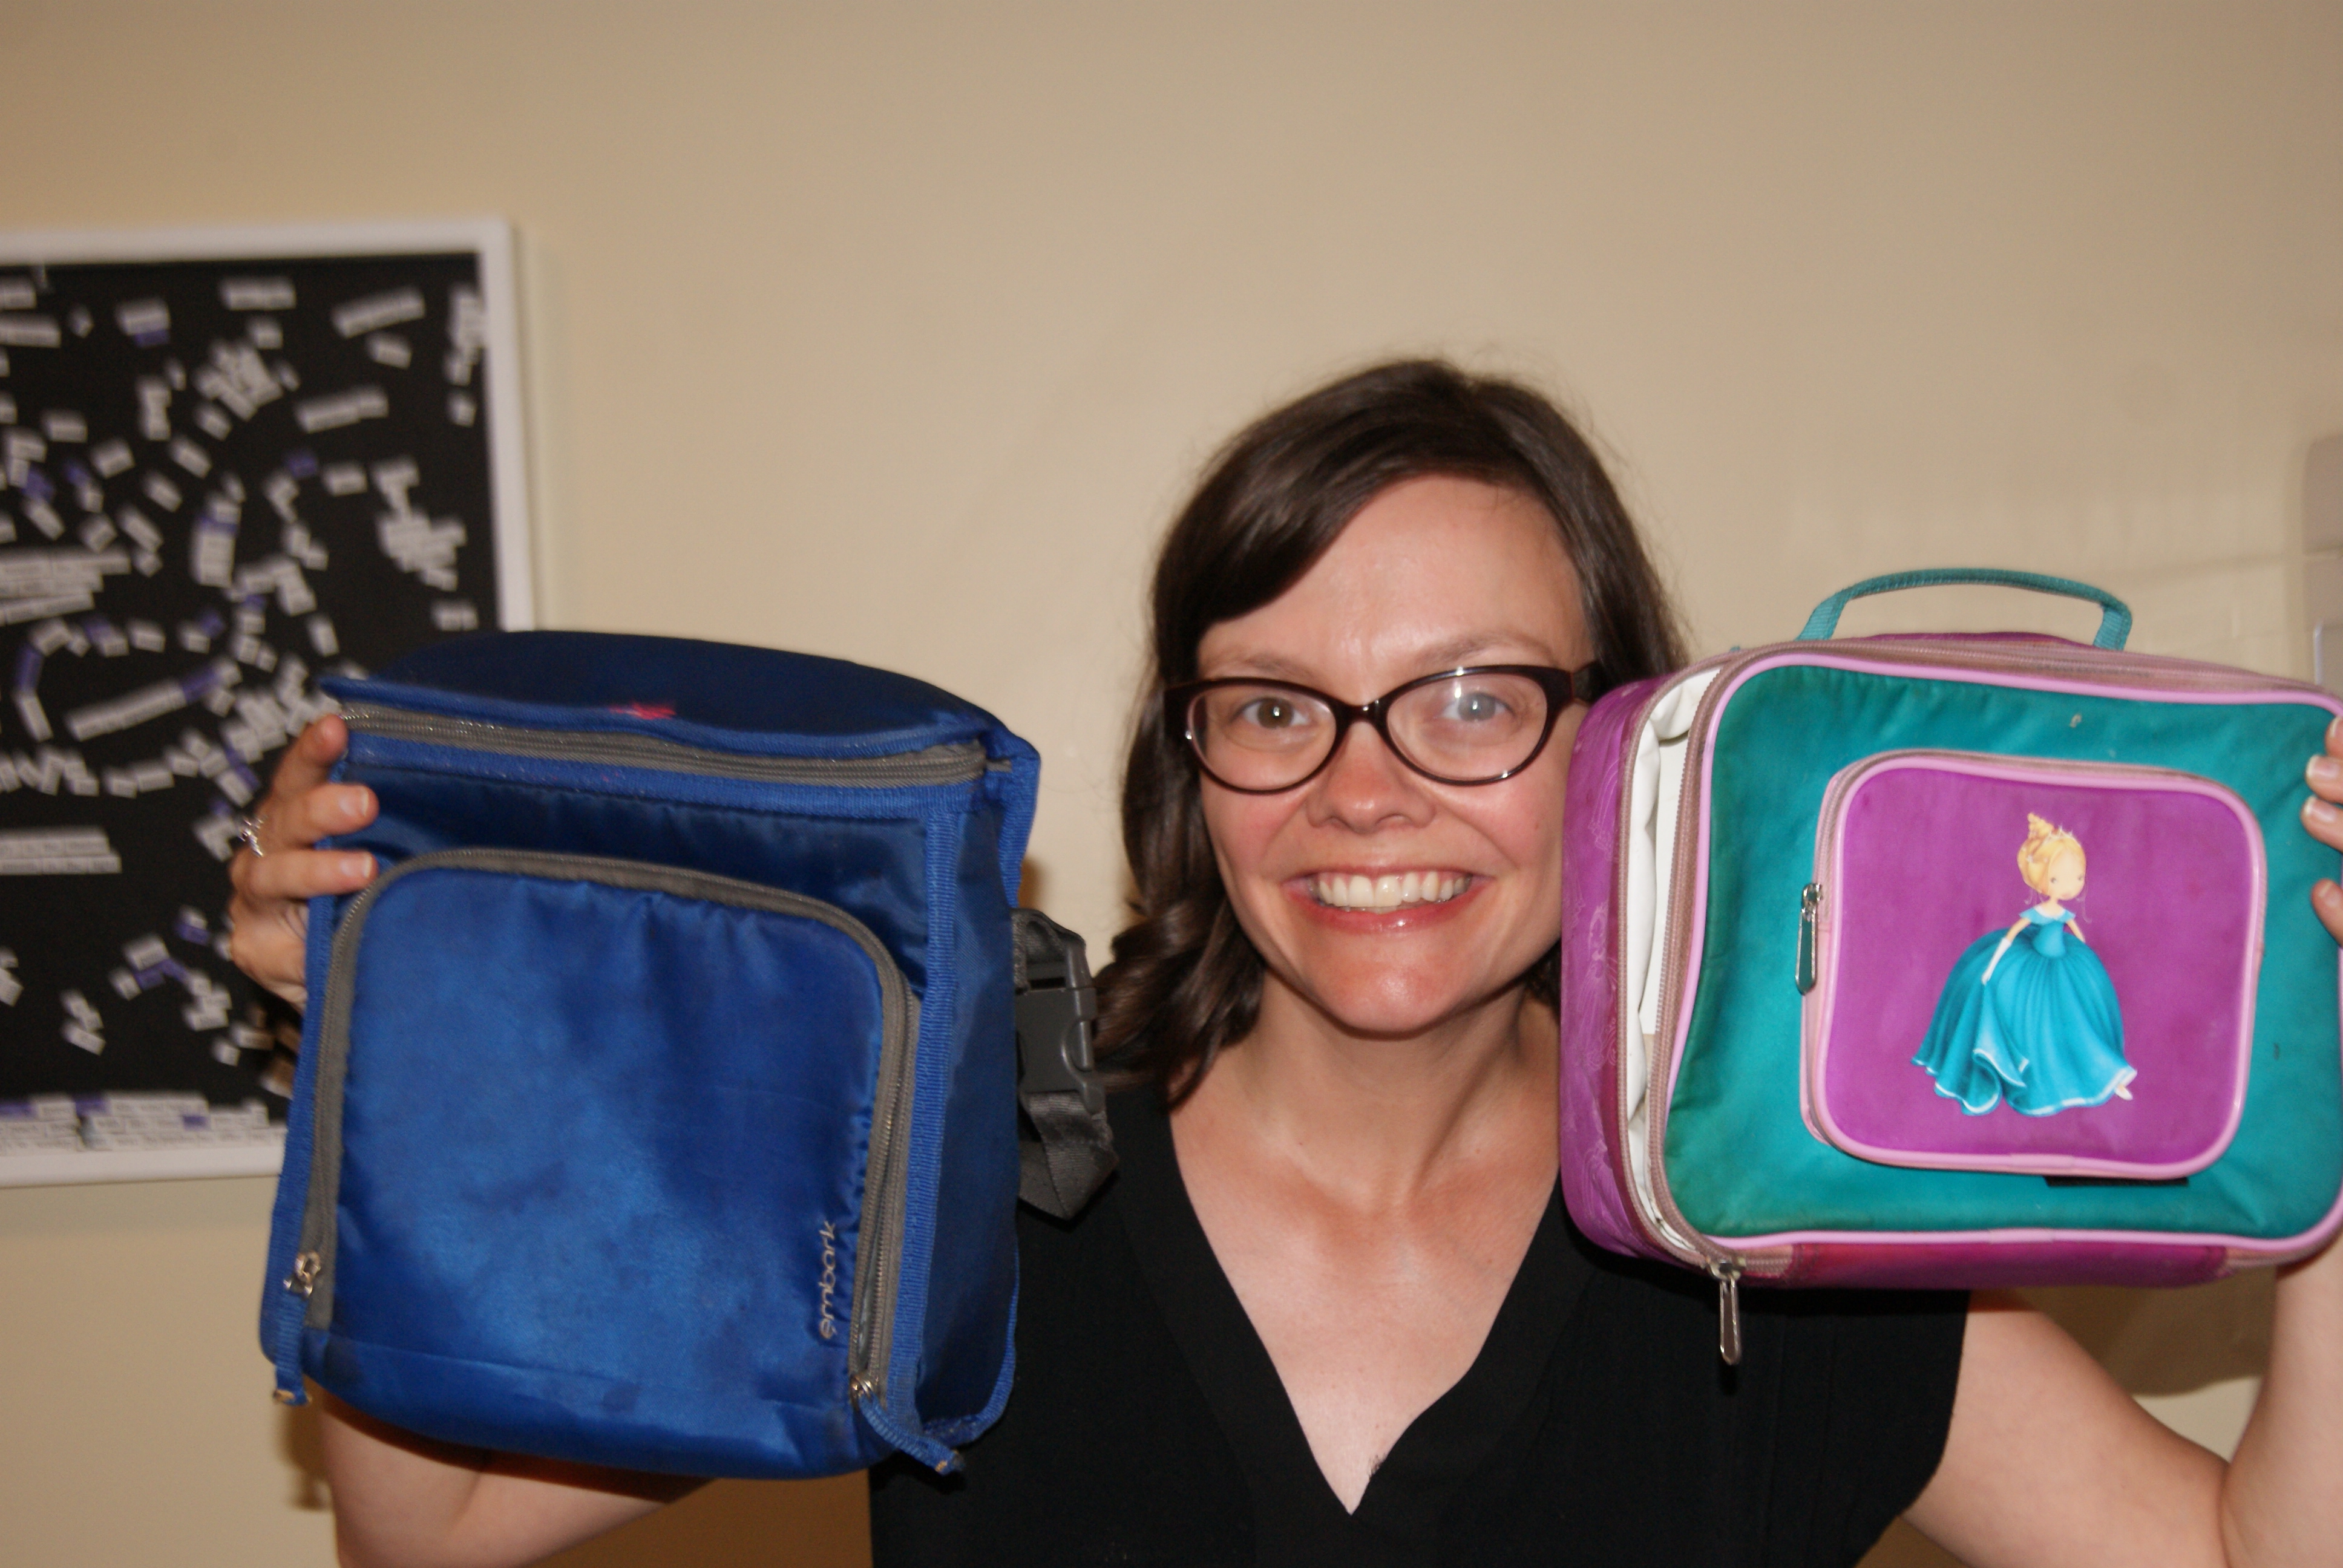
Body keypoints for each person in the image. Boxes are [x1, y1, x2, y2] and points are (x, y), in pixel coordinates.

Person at [229, 360, 2343, 1567]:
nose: (1364, 790)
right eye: (1275, 706)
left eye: (1472, 698)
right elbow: (431, 1530)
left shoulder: (1789, 1238)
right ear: (1194, 762)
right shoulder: (951, 1175)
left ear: (1622, 743)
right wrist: (387, 1053)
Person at [1914, 814, 2136, 1117]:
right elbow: (2009, 939)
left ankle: (2109, 1076)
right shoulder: (2038, 913)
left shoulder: (2064, 915)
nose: (2070, 887)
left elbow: (2079, 936)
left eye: (2078, 878)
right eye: (2058, 879)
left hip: (2064, 963)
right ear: (2042, 879)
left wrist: (2086, 960)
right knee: (2035, 1021)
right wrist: (1991, 969)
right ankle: (2041, 1080)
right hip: (2031, 966)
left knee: (2078, 1018)